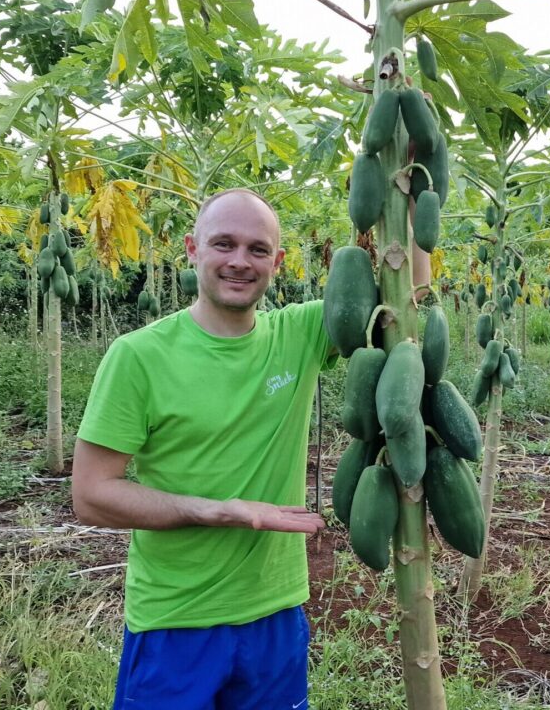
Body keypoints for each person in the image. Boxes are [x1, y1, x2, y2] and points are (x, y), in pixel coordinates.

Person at [72, 187, 335, 709]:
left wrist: (412, 180)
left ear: (277, 262)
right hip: (177, 619)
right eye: (223, 244)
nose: (240, 261)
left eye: (258, 250)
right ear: (192, 250)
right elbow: (91, 495)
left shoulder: (301, 336)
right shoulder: (139, 357)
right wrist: (216, 511)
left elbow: (406, 293)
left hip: (275, 613)